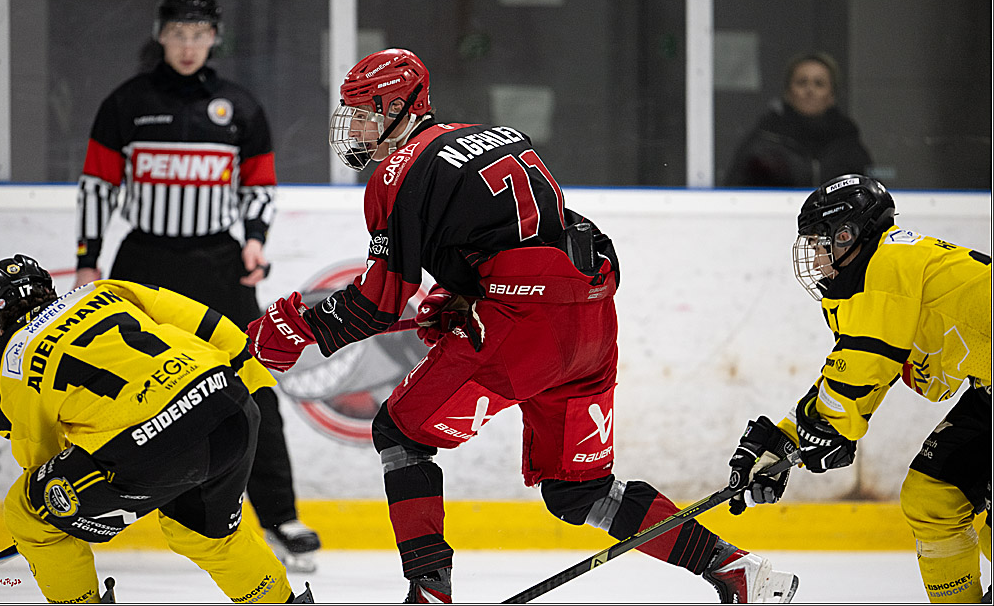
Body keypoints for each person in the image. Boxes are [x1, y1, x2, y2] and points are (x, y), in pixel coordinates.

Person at [244, 47, 800, 603]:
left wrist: (293, 326)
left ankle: (430, 592)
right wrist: (464, 291)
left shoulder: (397, 173)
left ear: (401, 106)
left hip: (523, 330)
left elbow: (377, 305)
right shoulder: (491, 136)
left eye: (366, 111)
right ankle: (734, 569)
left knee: (400, 431)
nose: (356, 125)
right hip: (591, 326)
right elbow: (541, 234)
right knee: (579, 492)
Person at [73, 0, 320, 571]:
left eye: (200, 34)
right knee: (107, 384)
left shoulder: (240, 107)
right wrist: (87, 257)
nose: (189, 45)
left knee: (253, 381)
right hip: (143, 263)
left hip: (218, 265)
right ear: (161, 35)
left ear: (215, 38)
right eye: (179, 33)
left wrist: (255, 242)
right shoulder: (125, 104)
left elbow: (258, 188)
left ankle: (281, 516)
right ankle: (77, 506)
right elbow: (97, 188)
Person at [0, 254, 313, 603]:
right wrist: (249, 379)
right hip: (231, 406)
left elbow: (41, 458)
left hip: (153, 446)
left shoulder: (10, 366)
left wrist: (57, 520)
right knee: (202, 534)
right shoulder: (102, 291)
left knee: (29, 511)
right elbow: (202, 320)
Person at [725, 174, 991, 603]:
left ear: (847, 233)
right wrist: (784, 440)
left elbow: (862, 374)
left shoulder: (887, 267)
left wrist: (817, 434)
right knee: (932, 499)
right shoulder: (875, 274)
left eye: (820, 243)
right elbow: (851, 370)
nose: (815, 256)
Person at [723, 51, 874, 187]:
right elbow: (736, 194)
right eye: (802, 82)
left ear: (832, 95)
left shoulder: (848, 145)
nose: (810, 90)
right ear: (788, 92)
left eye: (819, 84)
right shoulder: (764, 142)